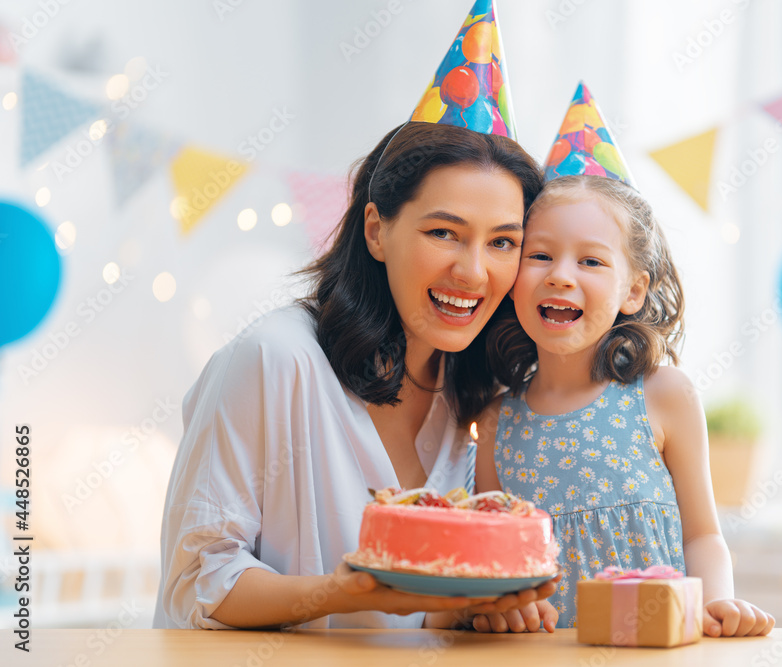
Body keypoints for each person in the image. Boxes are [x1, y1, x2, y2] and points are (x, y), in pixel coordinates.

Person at [153, 0, 562, 631]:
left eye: (503, 242)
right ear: (377, 230)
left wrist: (475, 613)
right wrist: (345, 593)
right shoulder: (275, 360)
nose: (474, 271)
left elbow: (421, 622)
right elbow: (197, 583)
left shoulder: (479, 396)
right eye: (445, 233)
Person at [470, 84, 773, 637]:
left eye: (590, 260)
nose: (561, 274)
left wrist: (717, 603)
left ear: (633, 290)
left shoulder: (664, 395)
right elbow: (494, 565)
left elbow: (702, 534)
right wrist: (490, 607)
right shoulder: (494, 425)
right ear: (514, 277)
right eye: (540, 255)